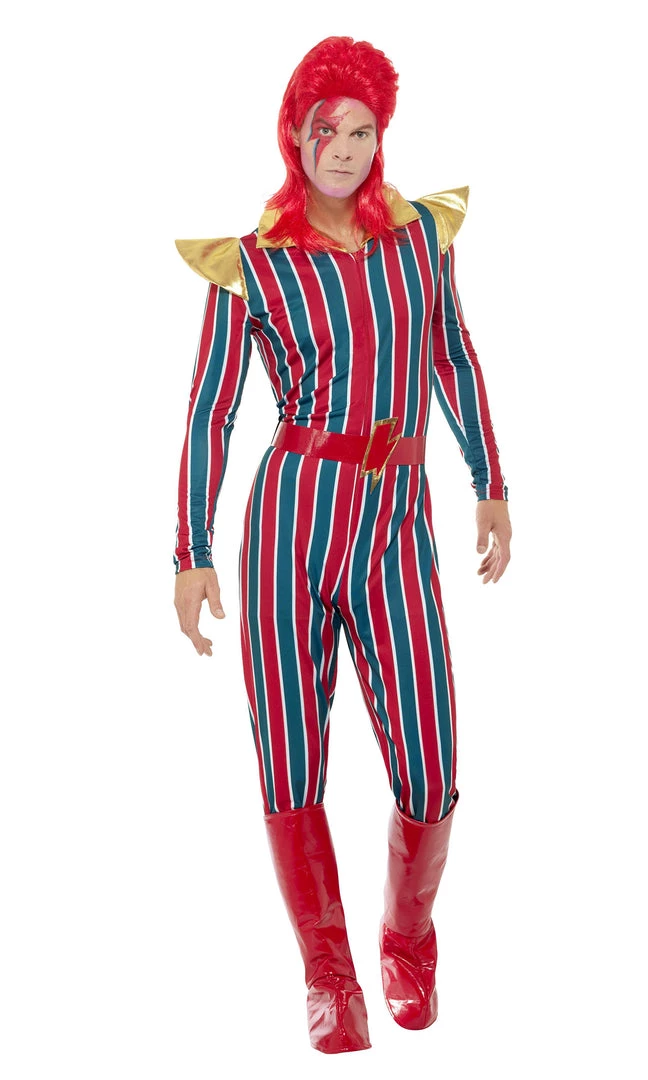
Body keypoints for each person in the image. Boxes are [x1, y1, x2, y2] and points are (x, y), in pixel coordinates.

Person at [172, 35, 512, 1054]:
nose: (348, 148)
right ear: (296, 132)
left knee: (431, 757)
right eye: (329, 129)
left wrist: (490, 482)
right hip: (291, 524)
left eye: (364, 130)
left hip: (397, 520)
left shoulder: (418, 237)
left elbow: (452, 355)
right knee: (290, 756)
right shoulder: (255, 264)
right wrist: (190, 551)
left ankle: (407, 937)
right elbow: (211, 410)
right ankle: (328, 975)